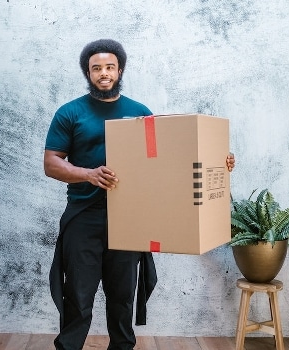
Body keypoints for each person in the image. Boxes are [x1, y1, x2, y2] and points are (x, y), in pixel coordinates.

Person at [43, 39, 236, 350]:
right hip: (83, 217)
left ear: (120, 70)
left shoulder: (140, 113)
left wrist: (219, 162)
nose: (103, 73)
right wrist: (89, 174)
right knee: (78, 295)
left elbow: (171, 161)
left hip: (130, 217)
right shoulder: (70, 112)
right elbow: (51, 163)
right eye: (96, 68)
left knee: (122, 296)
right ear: (87, 73)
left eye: (109, 67)